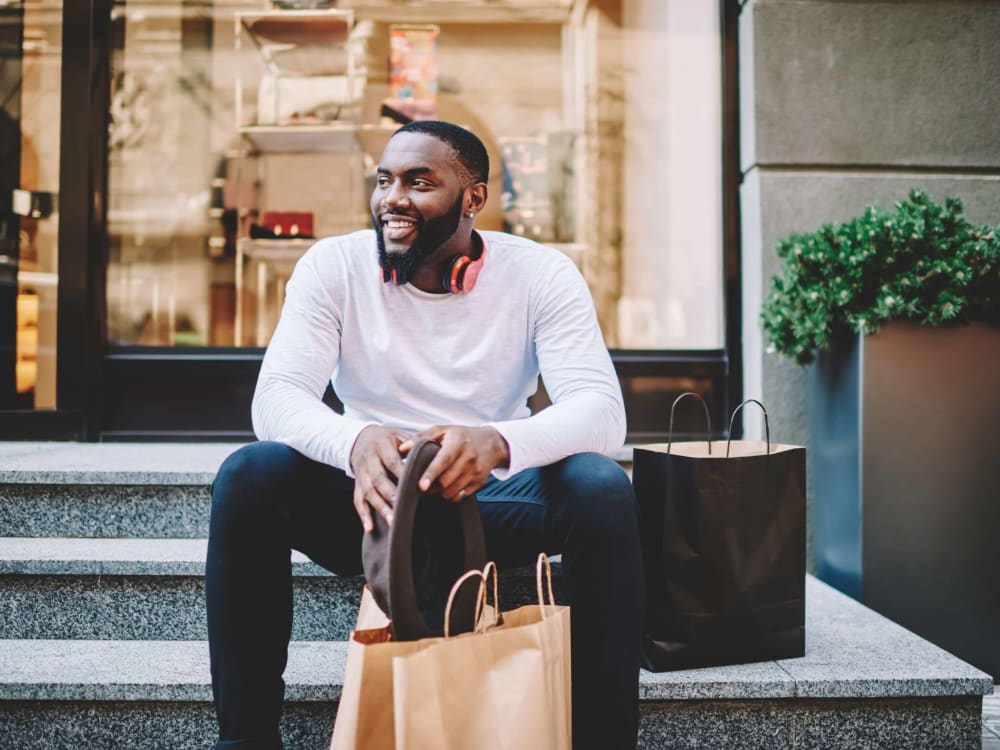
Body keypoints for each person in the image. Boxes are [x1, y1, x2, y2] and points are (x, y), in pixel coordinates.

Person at [206, 121, 643, 750]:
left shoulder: (541, 275)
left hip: (490, 504)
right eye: (385, 180)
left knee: (600, 487)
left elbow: (602, 411)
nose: (393, 198)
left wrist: (498, 442)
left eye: (419, 182)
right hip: (373, 508)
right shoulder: (333, 267)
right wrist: (354, 445)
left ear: (473, 199)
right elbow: (275, 399)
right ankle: (245, 742)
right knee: (249, 475)